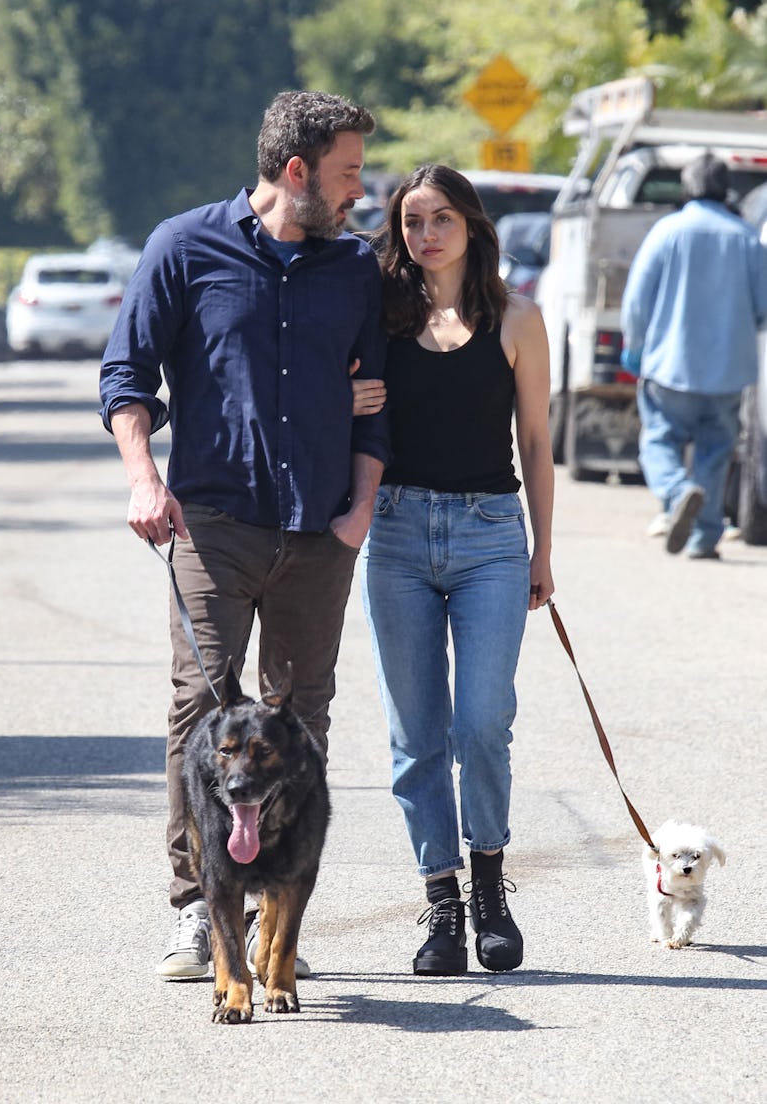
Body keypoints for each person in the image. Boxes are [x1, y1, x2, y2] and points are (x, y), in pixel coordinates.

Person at [99, 90, 390, 979]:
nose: (358, 191)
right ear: (294, 172)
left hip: (320, 531)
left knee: (302, 720)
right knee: (202, 714)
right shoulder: (184, 246)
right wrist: (144, 477)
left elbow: (376, 402)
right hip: (211, 520)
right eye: (347, 173)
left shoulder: (354, 270)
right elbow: (126, 374)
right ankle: (199, 907)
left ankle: (278, 915)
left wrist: (359, 513)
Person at [353, 164, 555, 976]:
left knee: (481, 723)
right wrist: (352, 400)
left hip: (490, 537)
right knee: (416, 735)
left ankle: (490, 887)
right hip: (397, 533)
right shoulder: (382, 315)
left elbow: (538, 443)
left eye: (440, 219)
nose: (425, 235)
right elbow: (344, 398)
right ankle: (440, 903)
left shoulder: (519, 319)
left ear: (471, 224)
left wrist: (545, 549)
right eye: (411, 223)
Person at [620, 152, 767, 559]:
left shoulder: (667, 231)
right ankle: (704, 539)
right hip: (729, 371)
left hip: (670, 366)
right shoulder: (746, 236)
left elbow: (636, 301)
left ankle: (676, 491)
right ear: (726, 189)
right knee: (716, 450)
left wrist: (635, 346)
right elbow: (763, 307)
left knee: (659, 441)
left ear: (687, 186)